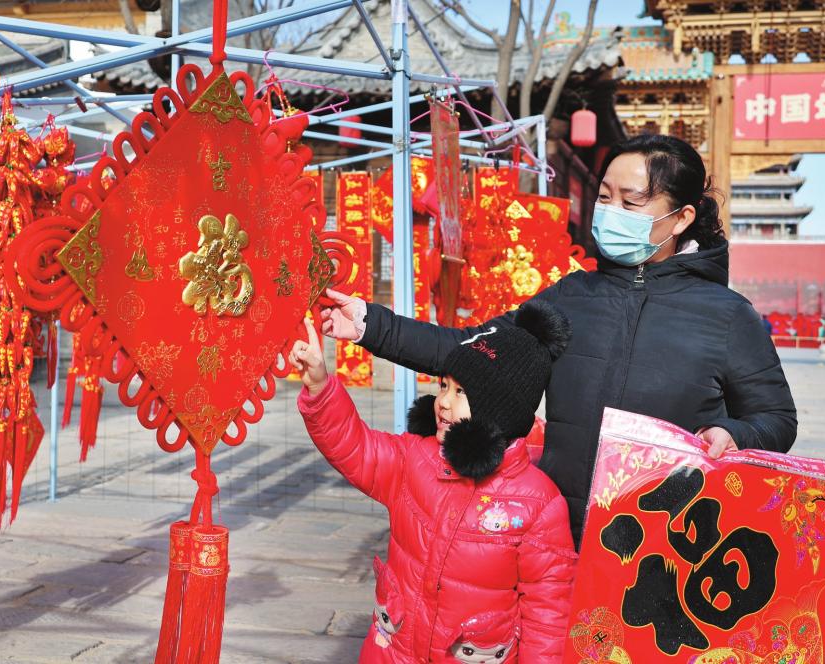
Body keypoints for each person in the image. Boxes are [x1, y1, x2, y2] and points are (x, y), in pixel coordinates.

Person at [321, 134, 797, 547]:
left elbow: (776, 417)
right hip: (561, 536)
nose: (610, 212)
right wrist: (367, 324)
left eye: (630, 203)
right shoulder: (571, 297)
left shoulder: (727, 315)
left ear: (680, 218)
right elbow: (470, 348)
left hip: (665, 545)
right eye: (605, 197)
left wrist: (736, 434)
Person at [291, 301, 577, 663]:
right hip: (394, 652)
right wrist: (320, 387)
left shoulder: (537, 504)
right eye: (444, 386)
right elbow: (356, 447)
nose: (442, 402)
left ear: (499, 410)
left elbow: (547, 615)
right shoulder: (416, 459)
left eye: (460, 393)